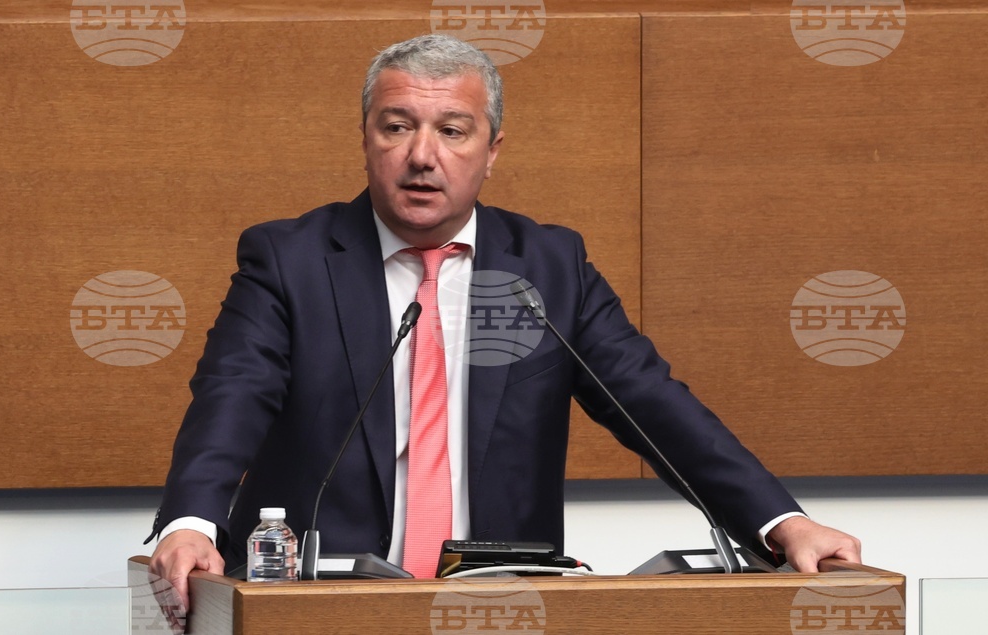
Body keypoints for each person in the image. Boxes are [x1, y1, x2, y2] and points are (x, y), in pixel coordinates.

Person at [147, 33, 861, 612]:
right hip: (319, 606)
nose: (422, 155)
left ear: (491, 152)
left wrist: (780, 521)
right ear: (366, 138)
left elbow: (652, 404)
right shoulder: (291, 259)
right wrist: (191, 523)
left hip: (501, 605)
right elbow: (232, 395)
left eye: (452, 131)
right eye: (397, 127)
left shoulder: (548, 266)